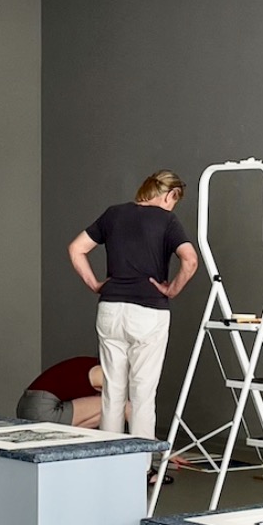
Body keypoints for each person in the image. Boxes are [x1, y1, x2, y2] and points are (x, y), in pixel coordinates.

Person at [67, 170, 199, 445]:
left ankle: (108, 460)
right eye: (175, 200)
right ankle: (140, 464)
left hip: (110, 310)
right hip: (148, 313)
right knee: (142, 395)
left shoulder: (113, 214)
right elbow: (190, 260)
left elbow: (76, 249)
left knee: (112, 393)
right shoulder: (167, 220)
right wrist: (171, 290)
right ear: (170, 194)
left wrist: (96, 285)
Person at [16, 356, 104, 429]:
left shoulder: (89, 364)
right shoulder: (100, 372)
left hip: (27, 405)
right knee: (108, 405)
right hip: (42, 408)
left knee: (99, 415)